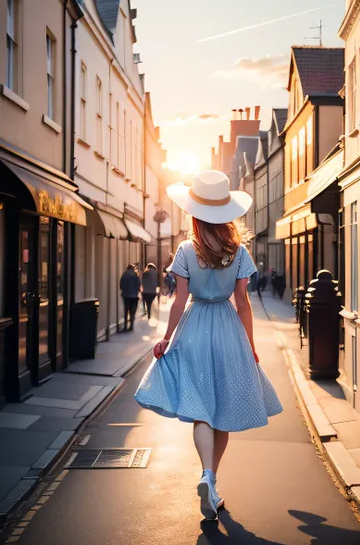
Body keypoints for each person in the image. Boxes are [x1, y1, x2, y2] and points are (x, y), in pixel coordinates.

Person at [134, 170, 283, 521]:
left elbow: (179, 299)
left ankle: (206, 477)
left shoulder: (186, 249)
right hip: (228, 329)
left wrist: (167, 338)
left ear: (195, 212)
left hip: (195, 327)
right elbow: (243, 303)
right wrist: (250, 344)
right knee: (224, 409)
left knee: (201, 408)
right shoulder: (239, 251)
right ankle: (210, 480)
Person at [120, 264, 140, 331]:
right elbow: (138, 285)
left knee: (126, 311)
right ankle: (131, 326)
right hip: (134, 296)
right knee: (132, 312)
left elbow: (121, 285)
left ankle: (125, 326)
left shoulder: (124, 275)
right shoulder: (135, 275)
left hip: (126, 296)